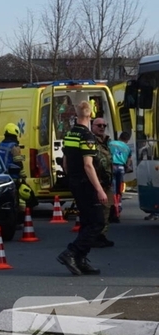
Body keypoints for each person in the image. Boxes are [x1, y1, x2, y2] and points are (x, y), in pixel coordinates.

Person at [56, 101, 108, 276]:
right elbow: (88, 165)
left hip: (75, 182)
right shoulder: (87, 136)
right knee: (97, 222)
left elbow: (65, 161)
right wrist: (99, 189)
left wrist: (72, 177)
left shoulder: (70, 133)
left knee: (86, 221)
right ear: (90, 115)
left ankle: (80, 260)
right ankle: (72, 252)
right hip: (87, 184)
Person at [90, 117, 115, 246]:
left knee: (107, 209)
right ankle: (94, 236)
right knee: (96, 211)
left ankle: (101, 235)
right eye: (99, 125)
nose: (101, 127)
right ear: (92, 126)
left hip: (106, 183)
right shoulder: (90, 141)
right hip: (95, 183)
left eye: (104, 125)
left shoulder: (105, 142)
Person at [107, 130, 132, 223]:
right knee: (119, 190)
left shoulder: (111, 143)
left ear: (119, 137)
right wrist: (126, 168)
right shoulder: (127, 148)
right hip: (121, 168)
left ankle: (113, 209)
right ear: (127, 140)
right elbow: (129, 161)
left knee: (112, 190)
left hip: (112, 167)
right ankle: (119, 208)